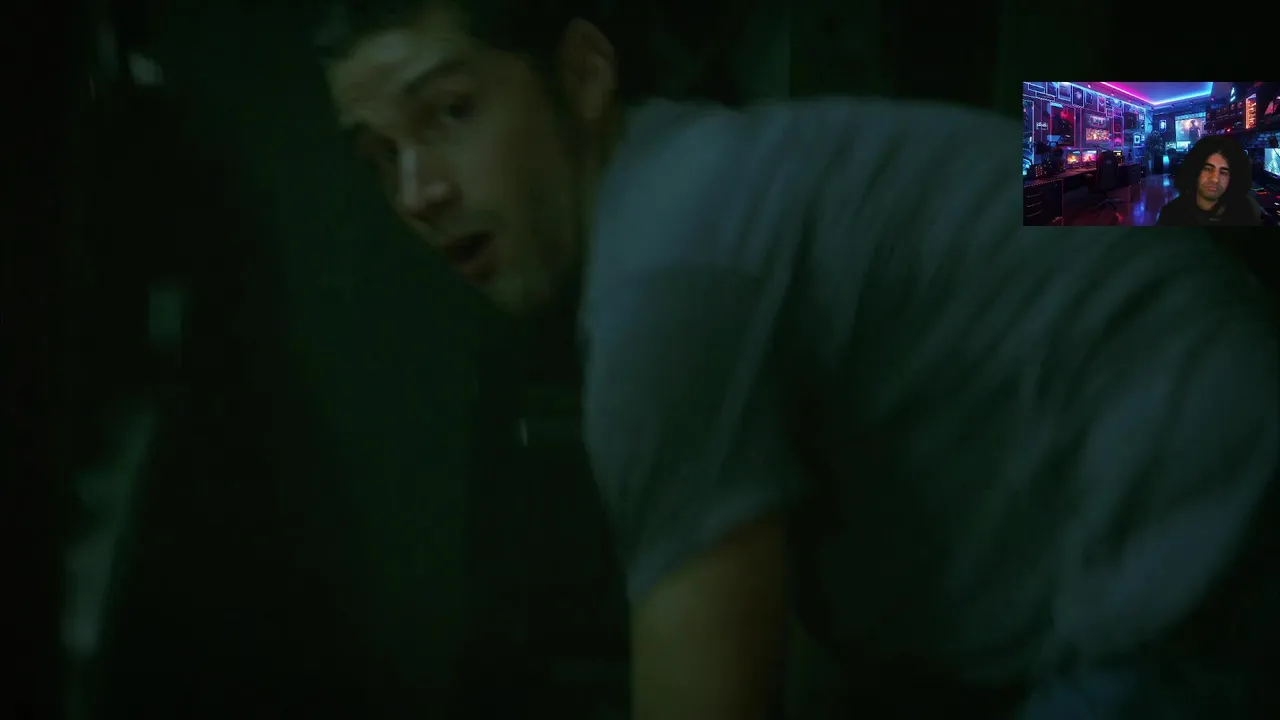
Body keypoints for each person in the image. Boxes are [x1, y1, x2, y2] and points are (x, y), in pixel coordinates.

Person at [320, 2, 1280, 717]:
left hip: (1202, 535)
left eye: (451, 112)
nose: (418, 191)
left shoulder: (664, 283)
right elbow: (1223, 147)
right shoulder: (752, 160)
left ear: (583, 72)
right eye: (377, 155)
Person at [1156, 135, 1263, 227]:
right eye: (1208, 169)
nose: (1215, 179)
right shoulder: (1172, 214)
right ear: (1195, 171)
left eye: (1223, 172)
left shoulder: (1246, 211)